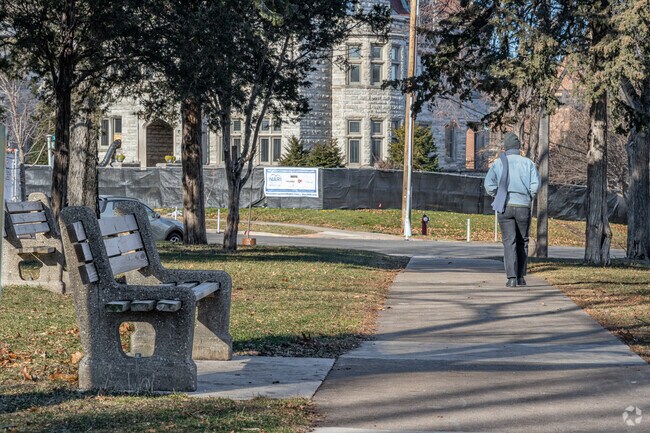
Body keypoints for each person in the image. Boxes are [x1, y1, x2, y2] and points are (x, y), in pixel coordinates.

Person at [484, 132, 539, 287]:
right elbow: (535, 185)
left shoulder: (498, 163)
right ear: (518, 147)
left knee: (509, 242)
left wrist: (498, 195)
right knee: (523, 242)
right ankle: (521, 277)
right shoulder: (528, 163)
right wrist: (528, 196)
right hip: (523, 206)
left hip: (505, 206)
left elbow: (488, 185)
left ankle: (511, 279)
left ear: (506, 147)